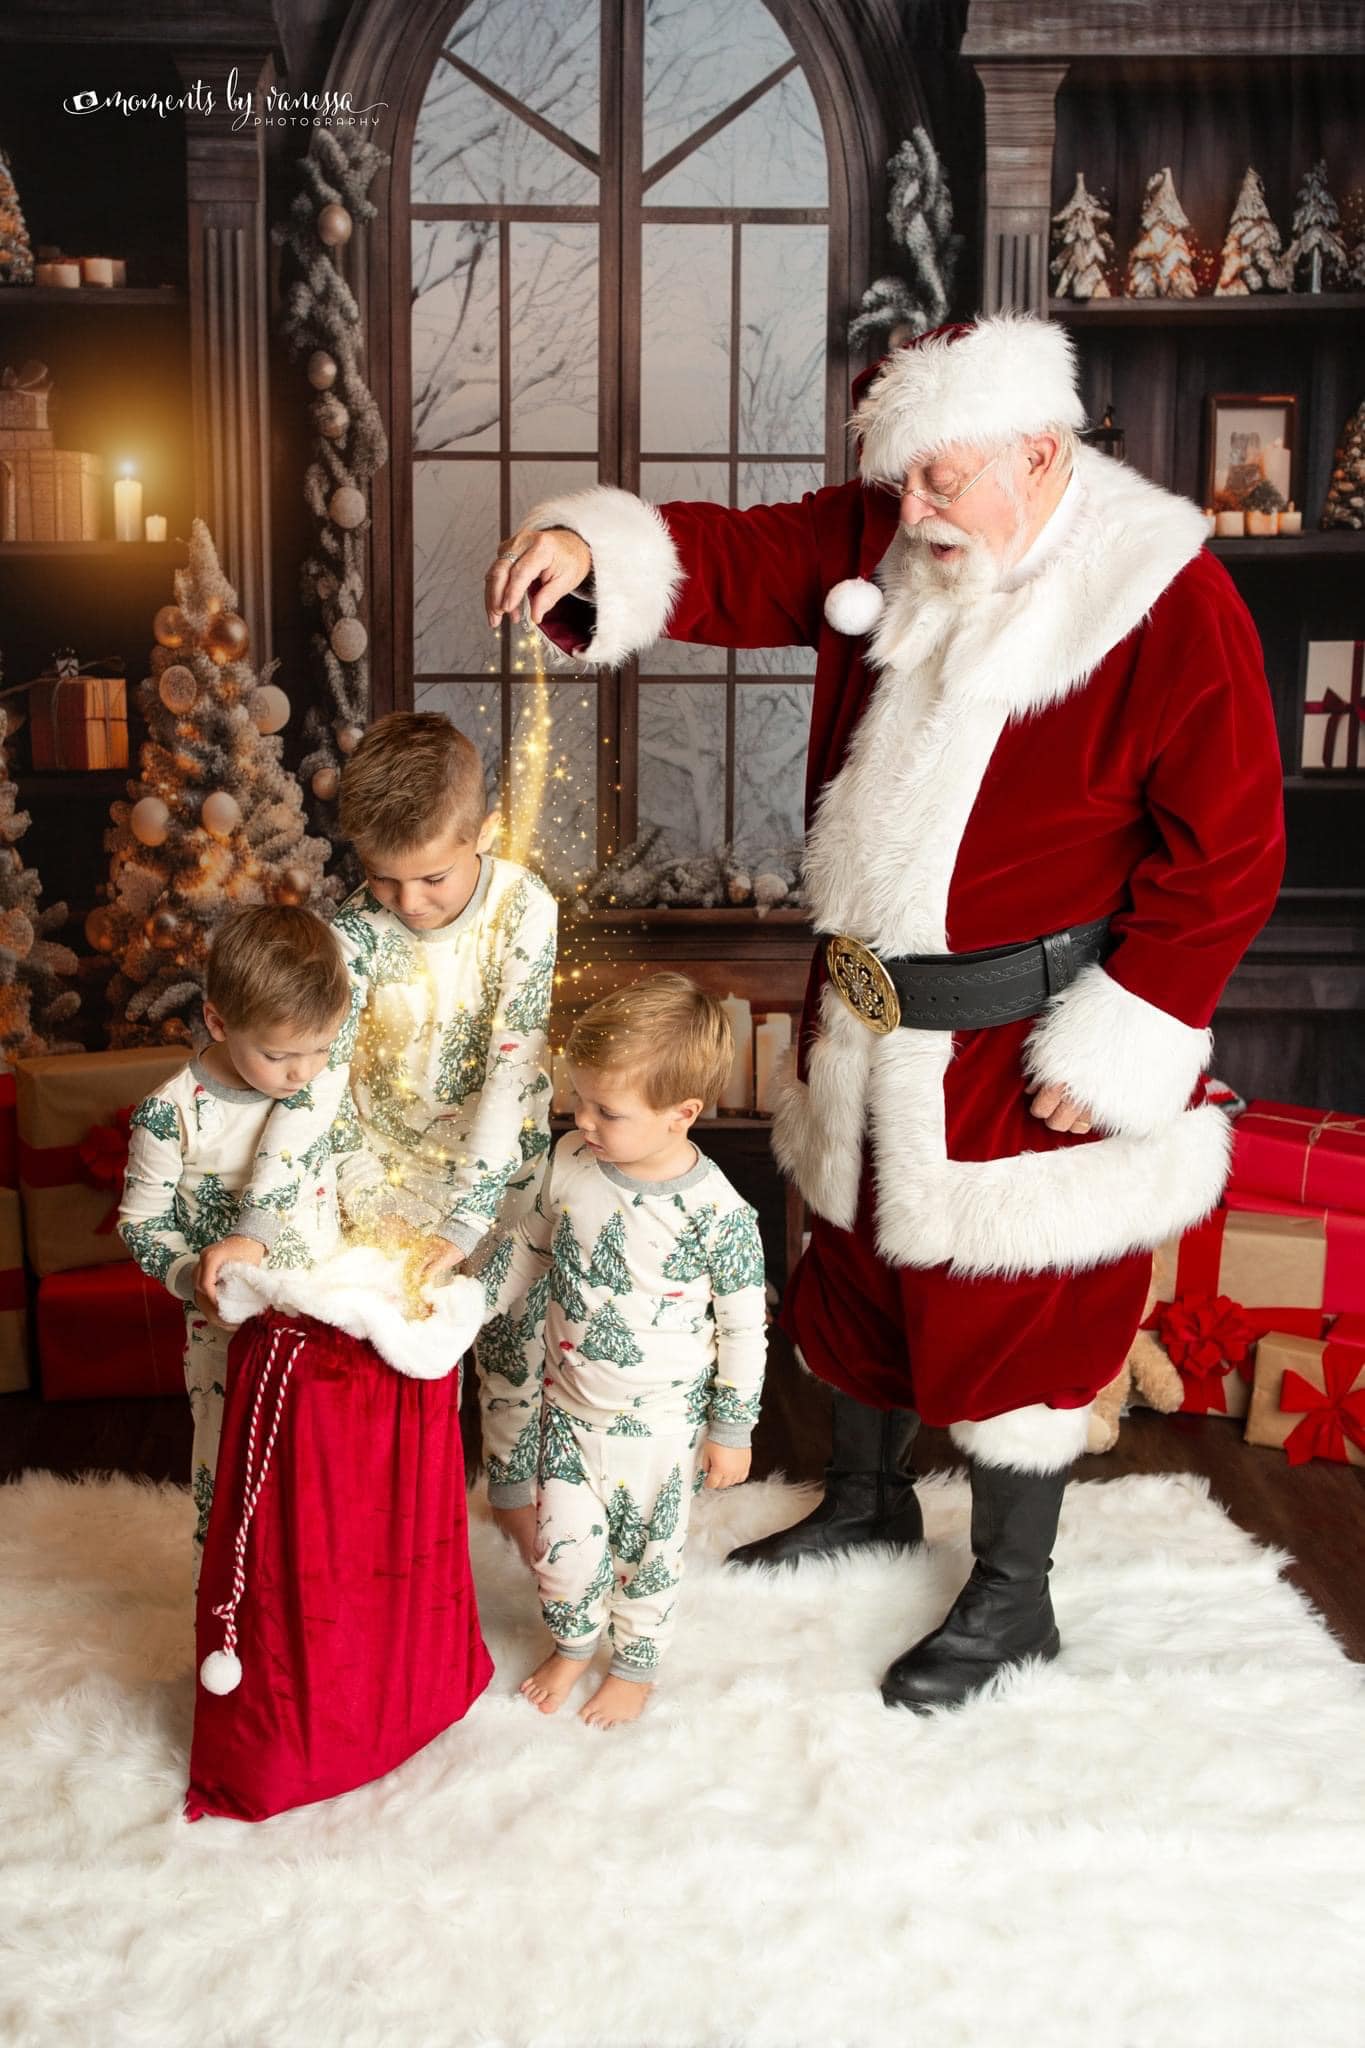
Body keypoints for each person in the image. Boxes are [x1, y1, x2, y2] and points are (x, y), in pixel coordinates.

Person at [483, 313, 1285, 1711]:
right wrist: (588, 552)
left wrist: (1127, 1033)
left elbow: (1230, 850)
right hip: (863, 1010)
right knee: (852, 1258)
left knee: (1017, 1316)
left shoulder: (1162, 595)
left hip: (1025, 1036)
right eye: (897, 481)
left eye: (939, 484)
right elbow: (737, 557)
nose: (905, 515)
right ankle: (868, 1501)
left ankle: (1014, 1597)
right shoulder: (900, 529)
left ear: (1039, 452)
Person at [194, 712, 558, 1565]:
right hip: (387, 1177)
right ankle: (403, 1524)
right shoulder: (352, 935)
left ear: (483, 833)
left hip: (499, 1174)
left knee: (512, 1338)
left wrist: (465, 1225)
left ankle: (511, 1496)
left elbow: (511, 1071)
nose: (409, 902)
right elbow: (315, 1090)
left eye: (430, 877)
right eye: (384, 880)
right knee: (397, 1353)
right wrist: (260, 1219)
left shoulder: (524, 911)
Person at [476, 973, 766, 1727]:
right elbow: (531, 1251)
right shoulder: (569, 1160)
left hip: (659, 1430)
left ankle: (635, 1664)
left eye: (609, 1109)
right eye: (580, 1098)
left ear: (681, 1116)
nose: (584, 1117)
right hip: (569, 1411)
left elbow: (742, 1327)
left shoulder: (718, 1213)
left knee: (647, 1555)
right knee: (559, 1552)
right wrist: (471, 1307)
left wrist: (731, 1430)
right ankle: (573, 1643)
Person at [118, 905, 353, 1584]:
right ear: (219, 1022)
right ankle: (224, 1619)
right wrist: (193, 1275)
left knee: (317, 1478)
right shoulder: (171, 1114)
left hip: (326, 1314)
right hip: (231, 1336)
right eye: (280, 1055)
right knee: (230, 1475)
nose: (302, 1072)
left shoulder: (318, 1084)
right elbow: (140, 1223)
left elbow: (343, 1158)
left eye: (320, 1048)